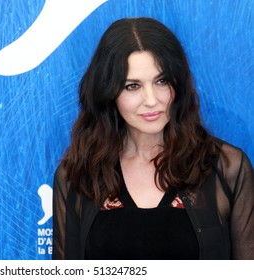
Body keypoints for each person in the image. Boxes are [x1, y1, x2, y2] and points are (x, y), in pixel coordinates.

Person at [52, 17, 254, 260]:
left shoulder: (227, 168)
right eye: (132, 86)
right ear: (108, 92)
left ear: (178, 83)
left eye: (161, 81)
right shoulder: (77, 175)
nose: (151, 100)